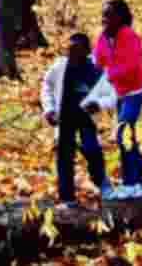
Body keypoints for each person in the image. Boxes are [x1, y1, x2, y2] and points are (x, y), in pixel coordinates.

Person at [90, 0, 142, 199]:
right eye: (103, 14)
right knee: (128, 137)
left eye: (109, 14)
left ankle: (131, 185)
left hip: (135, 91)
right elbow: (97, 61)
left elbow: (132, 66)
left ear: (120, 17)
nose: (104, 19)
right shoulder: (103, 37)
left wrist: (108, 75)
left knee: (123, 135)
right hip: (119, 92)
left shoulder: (130, 36)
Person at [41, 33, 117, 205]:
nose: (71, 54)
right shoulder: (60, 66)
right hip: (65, 117)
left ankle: (103, 184)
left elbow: (112, 94)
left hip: (86, 118)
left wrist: (98, 104)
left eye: (76, 50)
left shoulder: (96, 69)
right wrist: (49, 109)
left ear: (86, 51)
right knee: (64, 155)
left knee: (92, 149)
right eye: (69, 50)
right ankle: (67, 196)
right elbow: (46, 85)